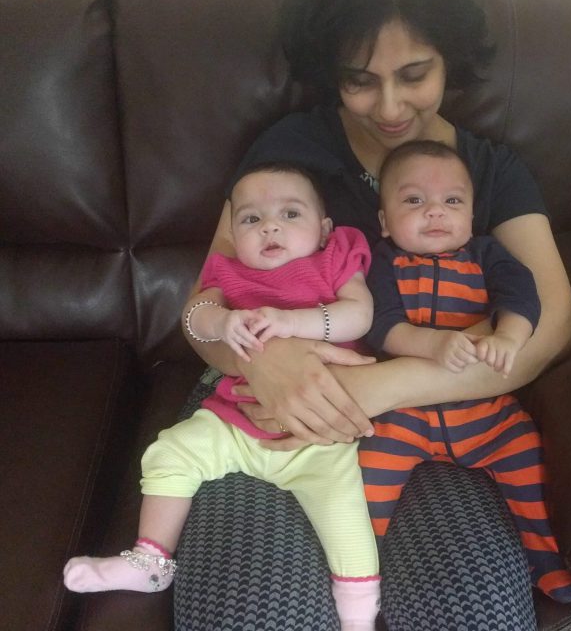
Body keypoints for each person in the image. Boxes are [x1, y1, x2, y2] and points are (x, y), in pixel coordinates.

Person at [178, 0, 571, 631]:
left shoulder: (491, 173)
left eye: (413, 73)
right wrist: (264, 364)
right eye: (360, 80)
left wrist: (383, 384)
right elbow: (205, 299)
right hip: (264, 411)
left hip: (438, 424)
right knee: (250, 616)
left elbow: (552, 324)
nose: (390, 107)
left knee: (472, 616)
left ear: (450, 59)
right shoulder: (287, 151)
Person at [64, 163, 381, 631]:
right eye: (251, 219)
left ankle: (358, 618)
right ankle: (151, 560)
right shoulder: (230, 273)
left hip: (318, 434)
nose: (270, 226)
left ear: (324, 229)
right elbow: (197, 317)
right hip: (234, 419)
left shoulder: (335, 258)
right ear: (232, 233)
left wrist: (294, 324)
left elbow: (360, 316)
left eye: (291, 214)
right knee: (170, 450)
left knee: (347, 521)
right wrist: (222, 323)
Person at [360, 139, 571, 604]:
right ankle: (367, 566)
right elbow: (382, 326)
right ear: (384, 221)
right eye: (414, 200)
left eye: (452, 201)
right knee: (369, 471)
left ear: (472, 213)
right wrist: (432, 344)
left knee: (528, 459)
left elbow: (523, 297)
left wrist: (508, 338)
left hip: (486, 410)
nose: (436, 212)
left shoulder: (487, 255)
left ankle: (545, 560)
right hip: (407, 412)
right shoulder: (384, 263)